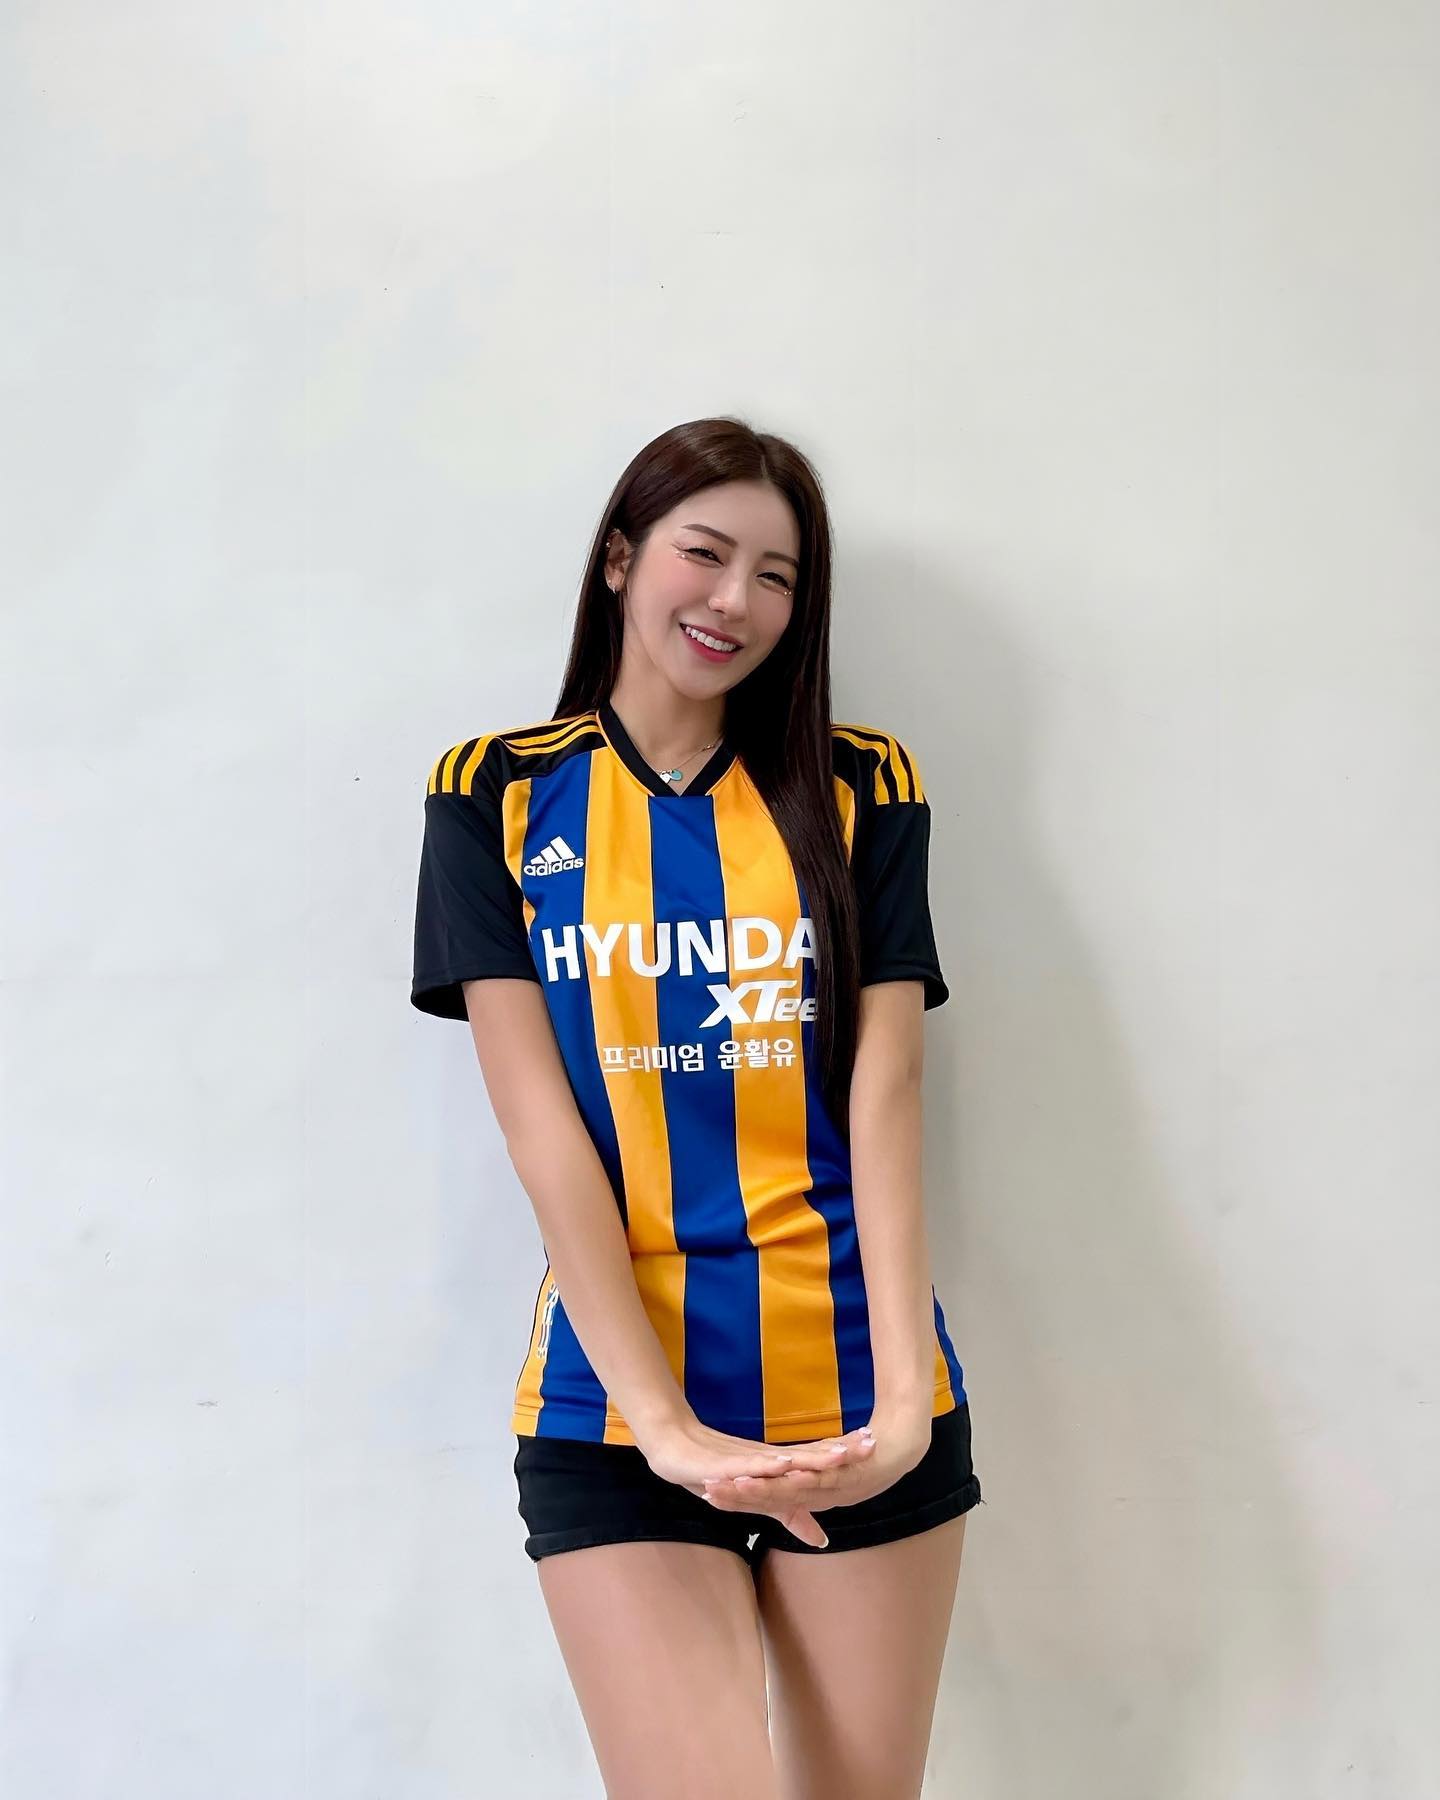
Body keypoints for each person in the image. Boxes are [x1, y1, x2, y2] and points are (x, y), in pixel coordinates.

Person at [410, 416, 983, 1798]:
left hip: (856, 1395)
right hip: (614, 1411)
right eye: (704, 553)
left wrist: (906, 1405)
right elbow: (543, 1133)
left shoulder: (862, 785)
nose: (735, 600)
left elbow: (888, 1088)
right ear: (620, 558)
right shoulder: (496, 792)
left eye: (776, 576)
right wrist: (664, 1425)